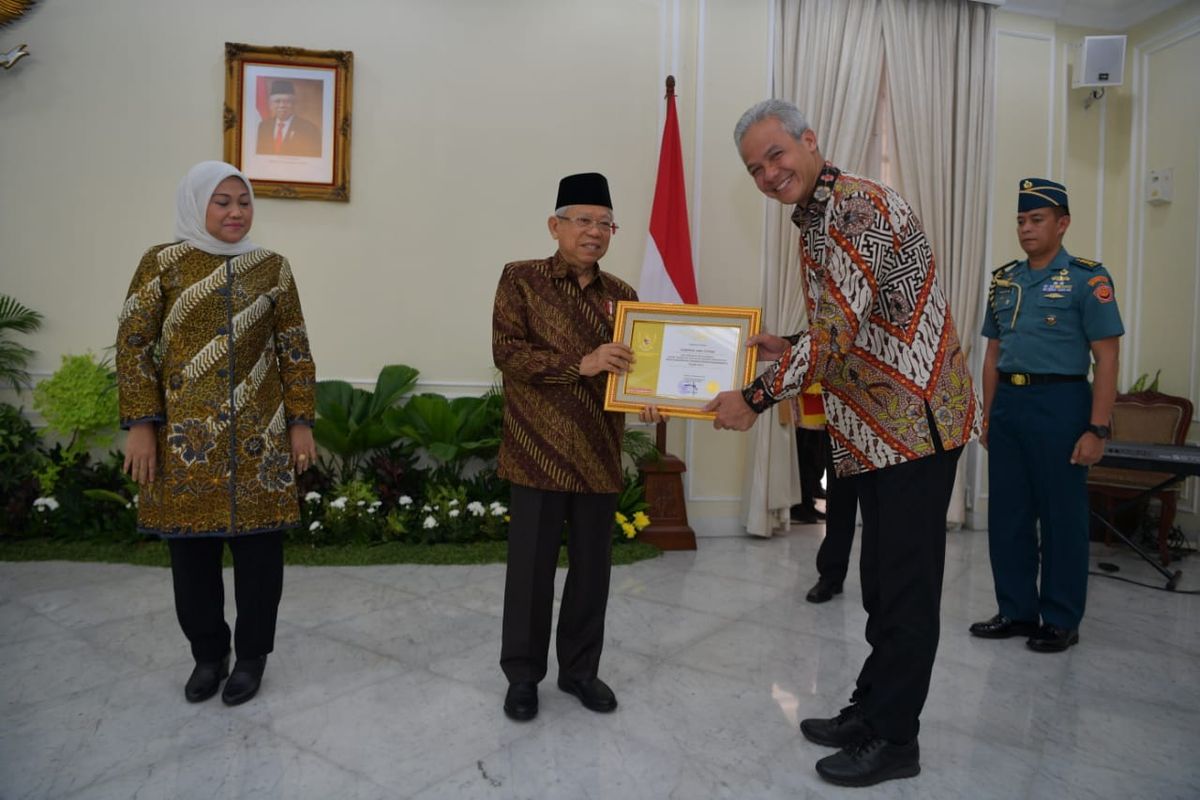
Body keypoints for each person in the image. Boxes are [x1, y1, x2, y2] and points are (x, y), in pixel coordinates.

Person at [708, 99, 981, 787]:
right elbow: (853, 328)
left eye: (776, 155)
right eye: (755, 169)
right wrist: (789, 347)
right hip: (874, 429)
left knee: (907, 591)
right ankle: (873, 707)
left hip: (914, 429)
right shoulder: (818, 220)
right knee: (880, 586)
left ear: (809, 140)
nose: (769, 174)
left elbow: (837, 338)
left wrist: (757, 397)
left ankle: (895, 740)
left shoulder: (856, 208)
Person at [116, 160, 317, 706]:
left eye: (243, 201)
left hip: (260, 439)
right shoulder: (162, 262)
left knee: (260, 561)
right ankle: (209, 654)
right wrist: (140, 426)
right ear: (196, 203)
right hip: (185, 443)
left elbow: (294, 350)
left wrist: (300, 423)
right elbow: (134, 346)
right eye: (222, 201)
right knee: (192, 559)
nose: (235, 212)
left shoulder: (271, 266)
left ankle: (251, 657)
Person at [493, 172, 637, 722]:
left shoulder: (623, 297)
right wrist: (581, 364)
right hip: (537, 450)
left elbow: (632, 369)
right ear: (555, 226)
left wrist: (648, 395)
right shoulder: (521, 280)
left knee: (591, 572)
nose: (594, 231)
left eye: (605, 223)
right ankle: (523, 676)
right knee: (530, 572)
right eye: (583, 220)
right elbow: (509, 353)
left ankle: (580, 672)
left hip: (599, 452)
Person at [970, 178, 1123, 653]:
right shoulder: (1005, 280)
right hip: (1011, 406)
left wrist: (1097, 427)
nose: (1026, 228)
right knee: (1009, 514)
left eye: (1036, 220)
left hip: (1061, 404)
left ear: (1063, 223)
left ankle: (1059, 617)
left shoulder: (1088, 279)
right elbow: (993, 354)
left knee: (1061, 517)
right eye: (1020, 220)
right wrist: (988, 415)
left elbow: (1107, 357)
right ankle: (1015, 610)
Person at [790, 383, 828, 525]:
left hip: (819, 394)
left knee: (816, 455)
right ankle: (801, 504)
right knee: (805, 455)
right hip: (806, 393)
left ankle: (809, 501)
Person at [255, 80, 322, 157]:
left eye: (287, 101)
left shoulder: (310, 129)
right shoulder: (263, 127)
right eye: (277, 101)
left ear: (294, 104)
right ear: (270, 105)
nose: (282, 105)